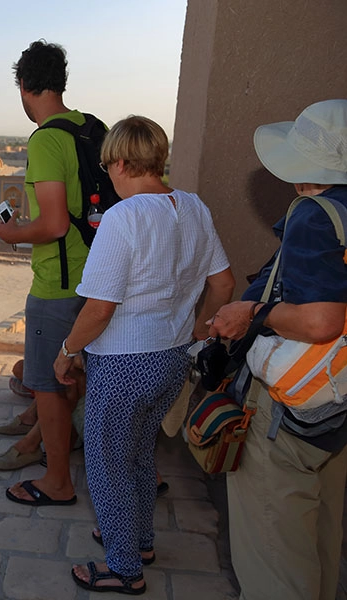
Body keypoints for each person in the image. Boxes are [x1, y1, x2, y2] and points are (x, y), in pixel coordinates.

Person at [53, 116, 234, 594]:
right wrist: (197, 331)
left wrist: (68, 350)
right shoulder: (193, 207)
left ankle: (123, 568)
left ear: (121, 162)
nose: (108, 173)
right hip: (174, 358)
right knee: (138, 454)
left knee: (109, 461)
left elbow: (99, 309)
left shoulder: (123, 217)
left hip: (124, 360)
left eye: (108, 163)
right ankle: (137, 540)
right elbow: (224, 284)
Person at [209, 99, 347, 600]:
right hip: (336, 404)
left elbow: (319, 319)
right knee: (318, 549)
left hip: (292, 408)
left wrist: (253, 312)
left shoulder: (315, 215)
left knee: (276, 565)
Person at [0, 40, 93, 506]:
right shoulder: (94, 127)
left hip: (58, 283)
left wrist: (11, 234)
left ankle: (57, 481)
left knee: (50, 385)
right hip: (100, 279)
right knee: (76, 376)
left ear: (24, 86)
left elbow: (54, 224)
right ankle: (48, 446)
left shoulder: (47, 138)